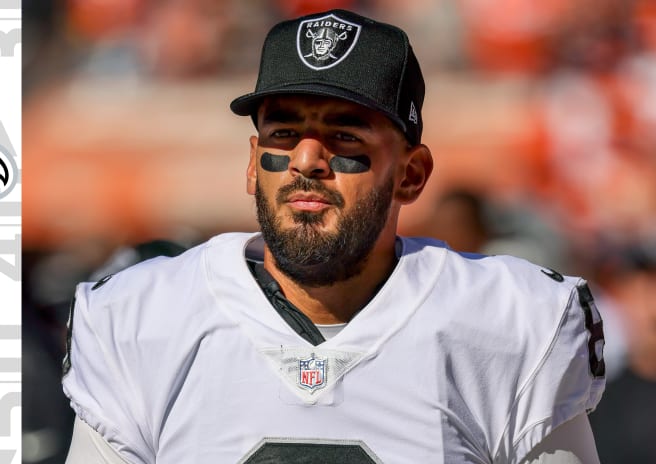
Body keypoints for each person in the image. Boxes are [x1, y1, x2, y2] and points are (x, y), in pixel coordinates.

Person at [61, 9, 605, 463]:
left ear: (411, 175)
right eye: (284, 132)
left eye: (344, 134)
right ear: (253, 164)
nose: (306, 160)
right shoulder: (140, 320)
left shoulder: (507, 324)